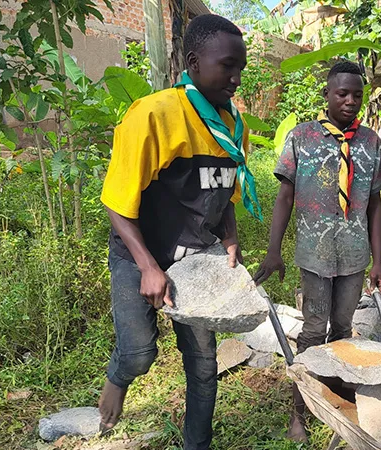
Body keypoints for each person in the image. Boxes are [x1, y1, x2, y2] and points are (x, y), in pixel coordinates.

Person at [97, 14, 260, 449]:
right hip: (140, 254)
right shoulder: (153, 115)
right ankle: (119, 376)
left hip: (195, 256)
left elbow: (224, 193)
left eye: (240, 67)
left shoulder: (232, 126)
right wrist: (149, 267)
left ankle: (197, 444)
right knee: (139, 353)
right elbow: (116, 201)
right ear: (193, 60)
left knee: (203, 363)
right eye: (227, 65)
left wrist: (229, 235)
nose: (236, 78)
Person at [252, 61, 381, 441]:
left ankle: (337, 394)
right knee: (314, 329)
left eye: (357, 95)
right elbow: (285, 195)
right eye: (342, 94)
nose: (350, 101)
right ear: (327, 96)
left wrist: (378, 260)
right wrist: (273, 251)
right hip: (314, 255)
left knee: (344, 328)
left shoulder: (371, 142)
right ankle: (299, 409)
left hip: (353, 254)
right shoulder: (302, 137)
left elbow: (376, 204)